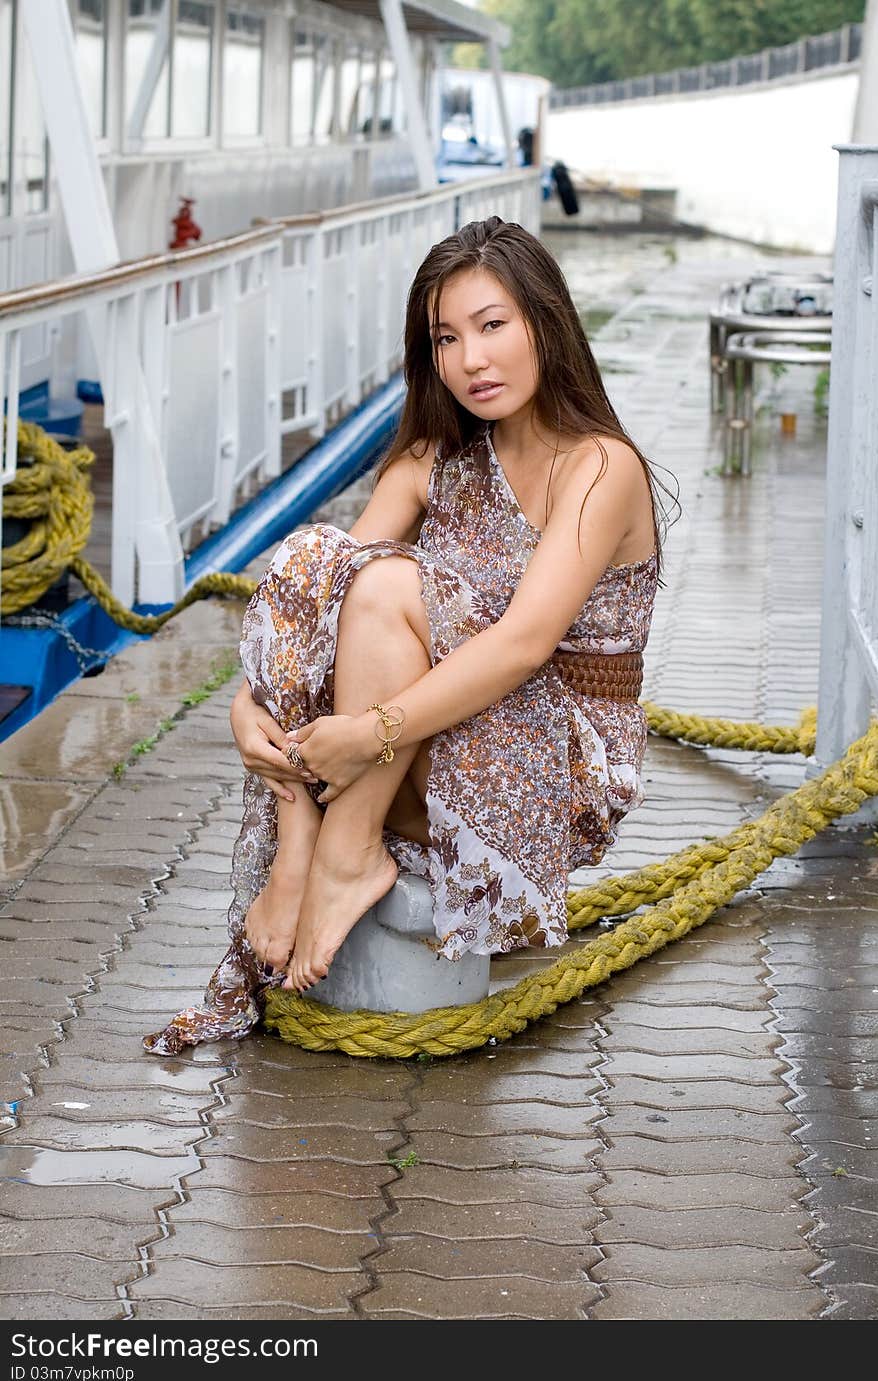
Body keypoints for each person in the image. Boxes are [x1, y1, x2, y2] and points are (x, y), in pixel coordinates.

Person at [142, 216, 678, 1057]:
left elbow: (524, 645)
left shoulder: (600, 466)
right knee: (323, 561)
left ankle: (337, 849)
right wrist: (249, 708)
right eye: (446, 338)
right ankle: (306, 853)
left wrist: (368, 732)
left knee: (389, 585)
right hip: (445, 738)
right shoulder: (434, 456)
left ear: (546, 321)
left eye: (493, 325)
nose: (472, 359)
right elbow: (314, 597)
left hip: (562, 761)